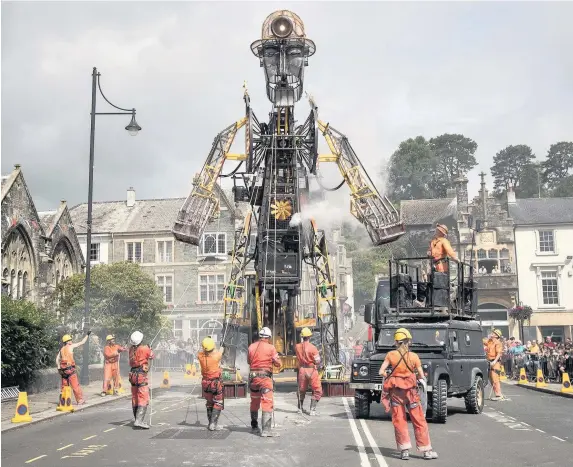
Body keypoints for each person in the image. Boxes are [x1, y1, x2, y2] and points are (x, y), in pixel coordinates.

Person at [379, 328, 438, 460]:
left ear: (396, 342)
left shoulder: (391, 355)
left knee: (399, 421)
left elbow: (381, 371)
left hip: (396, 393)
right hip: (411, 393)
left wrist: (390, 375)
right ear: (408, 342)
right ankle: (426, 451)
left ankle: (404, 450)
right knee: (419, 420)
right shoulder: (414, 357)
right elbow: (422, 376)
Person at [247, 327, 281, 437]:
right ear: (269, 337)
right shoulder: (271, 348)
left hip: (253, 379)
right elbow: (277, 363)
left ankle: (254, 426)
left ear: (260, 336)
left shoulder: (251, 347)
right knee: (267, 402)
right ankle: (266, 430)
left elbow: (248, 361)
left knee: (255, 402)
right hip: (265, 379)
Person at [128, 331, 154, 429]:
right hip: (141, 375)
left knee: (135, 397)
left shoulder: (131, 349)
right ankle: (139, 421)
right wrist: (150, 349)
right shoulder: (145, 348)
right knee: (143, 397)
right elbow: (151, 356)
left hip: (132, 374)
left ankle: (137, 419)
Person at [56, 331, 90, 405]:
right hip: (71, 370)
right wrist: (87, 335)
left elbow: (57, 359)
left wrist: (59, 369)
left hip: (64, 371)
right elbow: (82, 342)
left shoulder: (61, 350)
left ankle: (63, 402)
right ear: (67, 342)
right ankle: (80, 400)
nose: (71, 341)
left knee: (64, 387)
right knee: (75, 386)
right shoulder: (71, 346)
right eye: (70, 340)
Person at [198, 336, 224, 431]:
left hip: (205, 383)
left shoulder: (200, 356)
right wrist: (221, 348)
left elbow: (207, 351)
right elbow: (219, 351)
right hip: (215, 383)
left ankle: (210, 423)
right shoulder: (217, 356)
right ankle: (213, 424)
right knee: (218, 402)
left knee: (209, 403)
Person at [295, 327, 322, 416]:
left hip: (302, 370)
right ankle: (312, 410)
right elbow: (317, 361)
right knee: (317, 389)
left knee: (301, 390)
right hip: (311, 370)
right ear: (309, 336)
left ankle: (300, 408)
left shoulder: (297, 347)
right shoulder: (313, 348)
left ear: (302, 337)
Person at [486, 329, 505, 401]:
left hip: (495, 362)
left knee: (495, 378)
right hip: (489, 361)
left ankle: (499, 395)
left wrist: (494, 361)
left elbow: (499, 353)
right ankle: (497, 393)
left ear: (496, 335)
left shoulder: (498, 343)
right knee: (491, 379)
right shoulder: (489, 341)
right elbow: (482, 341)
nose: (491, 334)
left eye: (493, 333)